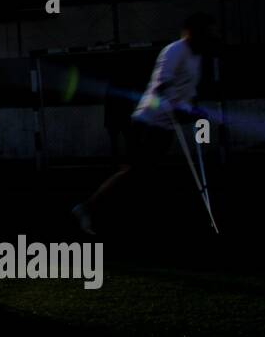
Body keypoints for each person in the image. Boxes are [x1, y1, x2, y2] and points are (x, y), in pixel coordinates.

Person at [72, 14, 218, 235]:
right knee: (135, 170)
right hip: (149, 120)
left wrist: (193, 109)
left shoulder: (195, 57)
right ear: (191, 32)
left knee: (146, 172)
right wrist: (177, 108)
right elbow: (161, 87)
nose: (208, 36)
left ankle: (120, 215)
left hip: (167, 124)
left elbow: (187, 92)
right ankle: (88, 207)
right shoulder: (174, 51)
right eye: (205, 32)